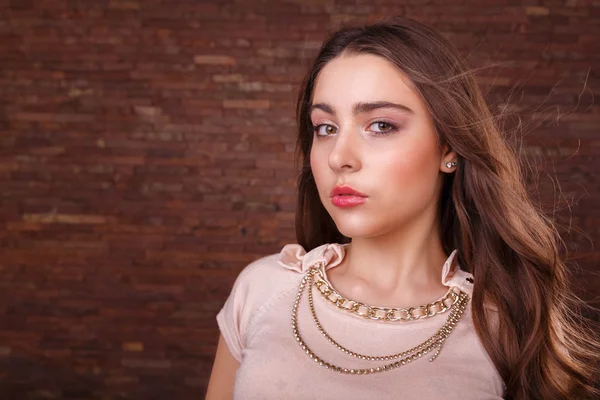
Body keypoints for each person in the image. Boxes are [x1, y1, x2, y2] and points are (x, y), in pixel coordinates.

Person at [205, 17, 599, 400]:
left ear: (448, 147)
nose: (339, 157)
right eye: (325, 127)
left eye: (380, 125)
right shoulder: (262, 291)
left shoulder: (506, 329)